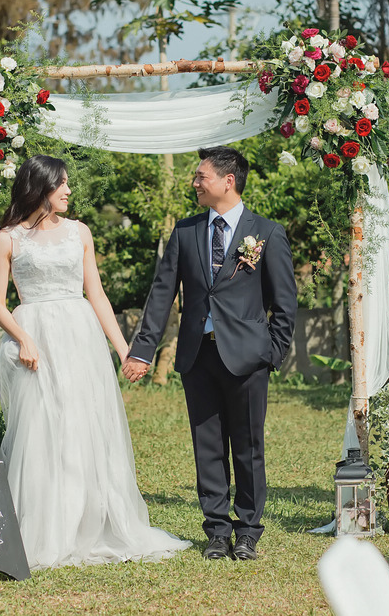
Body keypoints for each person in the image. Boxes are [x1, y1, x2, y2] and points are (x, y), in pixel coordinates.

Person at [0, 155, 191, 570]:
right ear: (40, 187)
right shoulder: (7, 238)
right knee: (43, 429)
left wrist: (124, 349)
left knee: (84, 425)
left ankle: (90, 522)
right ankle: (46, 528)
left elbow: (96, 294)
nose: (68, 190)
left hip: (80, 336)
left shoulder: (80, 232)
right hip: (36, 337)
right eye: (60, 184)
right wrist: (23, 339)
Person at [123, 146, 298, 561]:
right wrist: (142, 350)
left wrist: (271, 353)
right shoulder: (185, 232)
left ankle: (249, 530)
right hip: (197, 357)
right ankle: (217, 530)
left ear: (228, 181)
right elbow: (162, 294)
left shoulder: (267, 233)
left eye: (201, 176)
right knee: (208, 447)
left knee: (248, 446)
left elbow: (285, 304)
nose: (195, 183)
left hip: (248, 359)